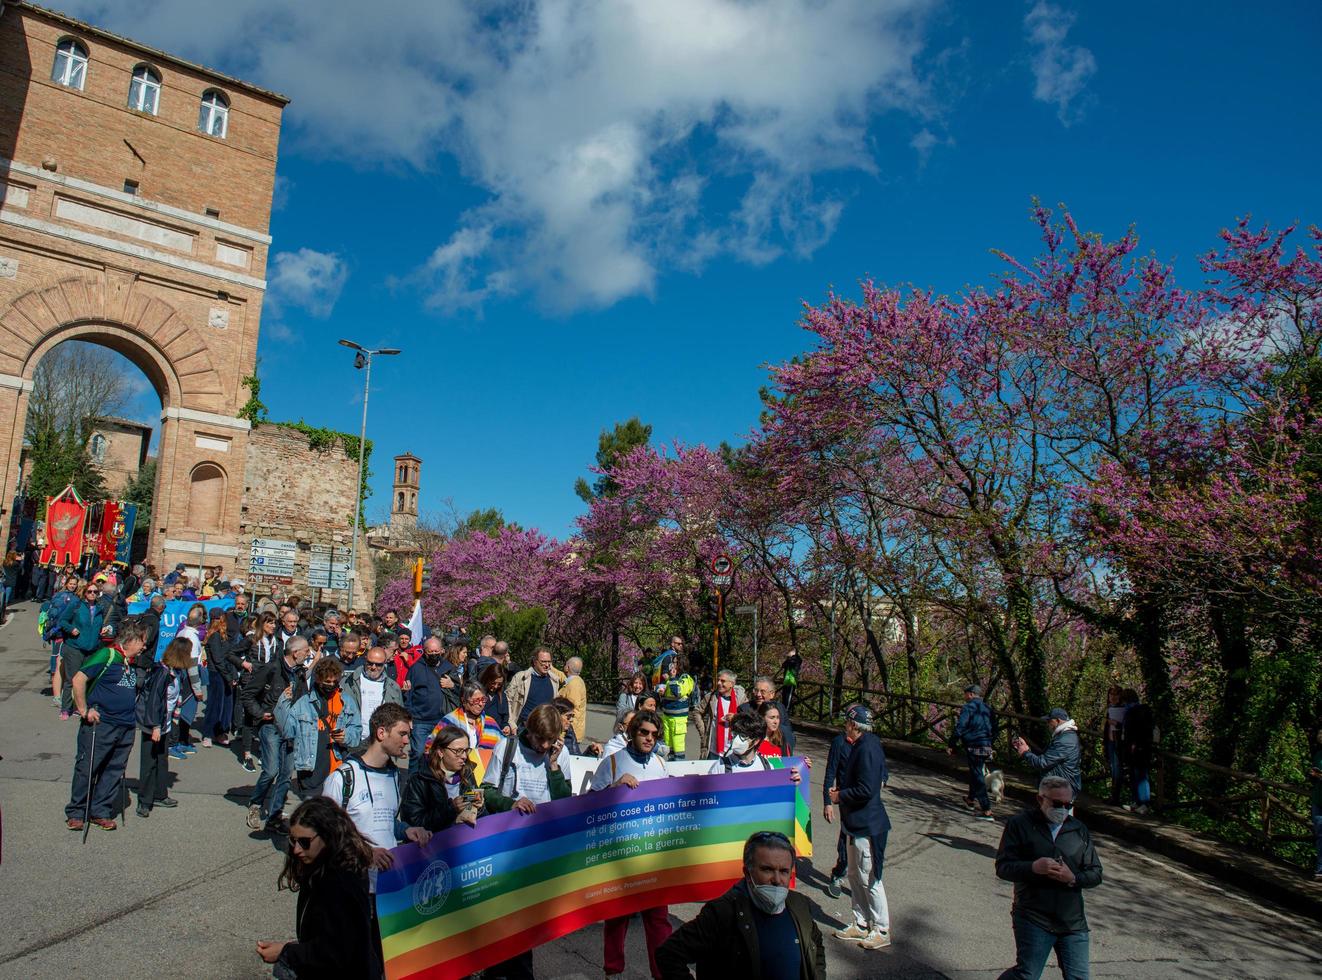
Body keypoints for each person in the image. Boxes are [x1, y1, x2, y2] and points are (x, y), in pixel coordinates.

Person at [480, 703, 573, 979]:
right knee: (505, 914)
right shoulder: (507, 748)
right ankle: (502, 971)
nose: (544, 746)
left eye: (550, 740)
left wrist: (554, 766)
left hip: (540, 848)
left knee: (527, 919)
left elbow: (564, 802)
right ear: (528, 731)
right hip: (508, 843)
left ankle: (511, 970)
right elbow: (486, 792)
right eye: (539, 739)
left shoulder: (559, 754)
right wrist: (511, 804)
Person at [656, 830, 826, 979]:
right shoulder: (722, 912)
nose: (777, 880)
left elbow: (815, 944)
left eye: (784, 871)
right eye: (767, 869)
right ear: (747, 871)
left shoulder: (799, 905)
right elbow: (669, 954)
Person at [256, 796, 381, 979]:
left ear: (327, 835)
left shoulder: (340, 882)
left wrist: (286, 951)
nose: (297, 849)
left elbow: (337, 950)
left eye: (304, 842)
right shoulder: (323, 868)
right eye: (293, 841)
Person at [994, 776, 1104, 979]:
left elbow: (1095, 873)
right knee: (1027, 975)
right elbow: (1003, 867)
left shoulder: (1078, 830)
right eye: (1057, 803)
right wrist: (1034, 867)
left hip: (1071, 920)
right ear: (1040, 799)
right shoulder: (1020, 825)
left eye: (1068, 804)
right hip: (1033, 916)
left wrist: (1073, 878)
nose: (1063, 808)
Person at [590, 709, 672, 979]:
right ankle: (613, 972)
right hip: (621, 856)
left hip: (652, 856)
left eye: (654, 734)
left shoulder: (660, 764)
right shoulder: (612, 763)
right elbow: (589, 805)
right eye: (644, 732)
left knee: (658, 920)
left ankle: (661, 973)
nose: (649, 738)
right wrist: (614, 787)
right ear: (632, 733)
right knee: (617, 918)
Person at [64, 618, 149, 832]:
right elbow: (78, 679)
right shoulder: (108, 655)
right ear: (131, 640)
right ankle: (76, 812)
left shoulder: (130, 662)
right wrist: (84, 709)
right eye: (142, 641)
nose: (144, 646)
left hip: (126, 725)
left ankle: (99, 811)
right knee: (88, 767)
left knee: (114, 769)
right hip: (102, 724)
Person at [830, 704, 892, 951]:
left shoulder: (867, 748)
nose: (845, 726)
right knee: (855, 875)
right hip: (855, 824)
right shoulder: (864, 744)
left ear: (853, 725)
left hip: (868, 825)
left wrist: (839, 796)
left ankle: (881, 928)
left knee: (871, 878)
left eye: (847, 722)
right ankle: (861, 921)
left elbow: (868, 789)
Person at [244, 635, 309, 834]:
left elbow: (304, 699)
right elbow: (247, 694)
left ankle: (274, 816)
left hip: (291, 728)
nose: (308, 654)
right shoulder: (272, 669)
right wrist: (261, 713)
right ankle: (255, 804)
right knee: (271, 770)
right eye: (306, 651)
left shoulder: (300, 673)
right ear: (295, 652)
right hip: (271, 725)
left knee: (286, 774)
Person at [283, 656, 361, 798]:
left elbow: (356, 732)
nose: (331, 685)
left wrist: (346, 736)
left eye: (334, 681)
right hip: (311, 770)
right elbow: (287, 731)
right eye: (327, 681)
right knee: (311, 814)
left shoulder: (347, 702)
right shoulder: (303, 703)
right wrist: (284, 704)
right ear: (318, 680)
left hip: (337, 768)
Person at [136, 638, 192, 816]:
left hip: (165, 724)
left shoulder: (176, 672)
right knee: (149, 763)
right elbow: (154, 702)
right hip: (154, 725)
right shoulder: (162, 673)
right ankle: (144, 801)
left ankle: (160, 794)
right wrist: (155, 727)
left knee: (162, 760)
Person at [399, 725, 485, 832]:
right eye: (458, 751)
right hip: (433, 845)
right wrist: (451, 809)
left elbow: (479, 816)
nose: (464, 756)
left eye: (466, 750)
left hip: (464, 841)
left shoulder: (467, 773)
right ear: (440, 752)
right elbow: (413, 823)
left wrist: (478, 807)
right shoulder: (420, 780)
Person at [428, 681, 503, 782]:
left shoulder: (490, 723)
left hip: (483, 777)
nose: (481, 704)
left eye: (483, 700)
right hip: (452, 778)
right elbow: (431, 746)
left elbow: (502, 748)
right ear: (464, 701)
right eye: (476, 701)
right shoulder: (450, 720)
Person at [406, 636, 457, 773]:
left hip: (443, 720)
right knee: (418, 753)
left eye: (436, 652)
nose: (434, 655)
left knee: (442, 756)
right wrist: (408, 717)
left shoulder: (448, 667)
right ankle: (413, 784)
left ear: (441, 651)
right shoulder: (416, 668)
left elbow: (460, 692)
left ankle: (437, 785)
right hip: (420, 720)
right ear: (424, 651)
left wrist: (452, 685)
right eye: (430, 652)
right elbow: (408, 695)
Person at [56, 580, 106, 719]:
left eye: (95, 592)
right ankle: (65, 708)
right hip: (74, 647)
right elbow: (63, 621)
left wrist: (104, 630)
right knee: (71, 679)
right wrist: (71, 629)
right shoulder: (76, 605)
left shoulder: (100, 608)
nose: (92, 594)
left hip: (91, 649)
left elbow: (98, 626)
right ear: (85, 593)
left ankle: (81, 706)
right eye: (89, 591)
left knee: (86, 679)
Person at [951, 683, 996, 821]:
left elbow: (961, 726)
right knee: (976, 771)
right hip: (986, 744)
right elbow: (995, 727)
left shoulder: (968, 707)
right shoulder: (988, 708)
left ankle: (986, 809)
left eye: (965, 693)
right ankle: (970, 800)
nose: (964, 696)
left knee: (977, 775)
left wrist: (952, 743)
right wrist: (989, 741)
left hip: (973, 745)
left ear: (970, 694)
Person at [822, 722, 856, 898]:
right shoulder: (839, 743)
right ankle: (838, 873)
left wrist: (882, 779)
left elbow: (881, 768)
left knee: (863, 845)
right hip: (845, 797)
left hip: (864, 798)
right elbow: (830, 772)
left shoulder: (869, 742)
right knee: (846, 838)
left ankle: (863, 882)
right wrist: (827, 802)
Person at [1012, 709, 1082, 795]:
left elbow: (1042, 763)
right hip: (1057, 787)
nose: (1047, 723)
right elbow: (1047, 758)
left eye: (1049, 721)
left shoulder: (1065, 740)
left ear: (1057, 720)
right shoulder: (1064, 736)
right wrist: (1027, 750)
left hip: (1061, 791)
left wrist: (1025, 753)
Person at [342, 646, 404, 744]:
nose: (373, 667)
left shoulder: (393, 687)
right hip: (355, 740)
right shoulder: (349, 682)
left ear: (385, 663)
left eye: (378, 665)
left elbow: (399, 716)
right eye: (370, 663)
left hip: (382, 743)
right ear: (365, 660)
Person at [506, 645, 564, 730]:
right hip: (523, 728)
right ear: (534, 661)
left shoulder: (554, 681)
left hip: (546, 729)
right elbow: (508, 700)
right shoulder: (521, 678)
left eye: (549, 662)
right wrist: (512, 724)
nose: (547, 665)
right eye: (543, 662)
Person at [692, 668, 746, 760]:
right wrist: (703, 731)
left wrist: (736, 717)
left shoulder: (741, 699)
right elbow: (697, 712)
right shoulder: (711, 697)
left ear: (731, 684)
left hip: (734, 750)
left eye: (723, 681)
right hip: (713, 750)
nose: (719, 683)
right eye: (718, 680)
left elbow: (748, 718)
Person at [201, 608, 236, 747]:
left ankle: (220, 731)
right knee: (215, 705)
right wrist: (227, 676)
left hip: (225, 672)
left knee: (226, 705)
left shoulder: (223, 635)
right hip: (216, 674)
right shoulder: (214, 636)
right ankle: (208, 733)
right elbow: (218, 659)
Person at [1119, 689, 1154, 815]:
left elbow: (1139, 731)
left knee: (1141, 776)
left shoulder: (1137, 712)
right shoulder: (1135, 711)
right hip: (1134, 748)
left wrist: (1135, 744)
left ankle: (1144, 803)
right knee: (1134, 775)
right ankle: (1137, 802)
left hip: (1140, 749)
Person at [655, 651, 695, 759]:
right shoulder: (672, 678)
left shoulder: (686, 678)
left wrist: (671, 678)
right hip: (667, 717)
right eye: (673, 662)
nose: (672, 665)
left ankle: (679, 768)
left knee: (678, 750)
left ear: (681, 664)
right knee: (669, 748)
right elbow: (668, 693)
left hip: (678, 720)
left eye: (675, 663)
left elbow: (677, 691)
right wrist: (661, 692)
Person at [751, 675, 796, 753]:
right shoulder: (745, 709)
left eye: (762, 691)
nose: (758, 695)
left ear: (772, 694)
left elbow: (788, 734)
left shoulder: (779, 708)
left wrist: (800, 762)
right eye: (756, 690)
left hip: (776, 753)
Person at [1102, 686, 1126, 805]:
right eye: (1111, 694)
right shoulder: (1110, 708)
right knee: (1113, 768)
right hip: (1110, 742)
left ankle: (1115, 797)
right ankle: (1113, 795)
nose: (1113, 697)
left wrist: (1116, 723)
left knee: (1117, 769)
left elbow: (1127, 727)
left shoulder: (1124, 709)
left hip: (1119, 743)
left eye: (1116, 695)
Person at [561, 655, 588, 745]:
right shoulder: (576, 681)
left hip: (570, 733)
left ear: (567, 667)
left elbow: (572, 709)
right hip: (571, 731)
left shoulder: (574, 684)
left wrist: (564, 732)